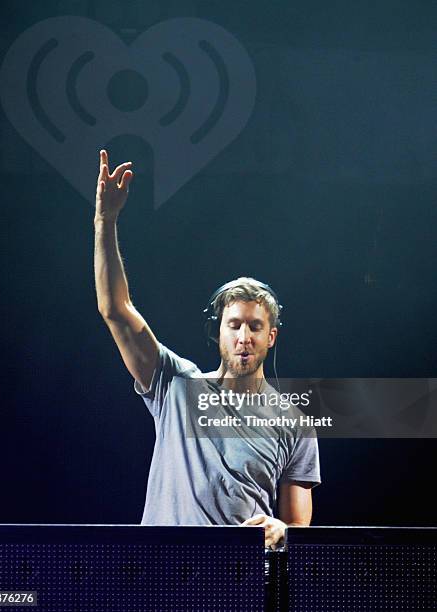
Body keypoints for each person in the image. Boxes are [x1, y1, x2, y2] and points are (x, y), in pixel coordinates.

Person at [94, 150, 321, 549]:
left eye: (255, 326)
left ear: (271, 337)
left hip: (235, 584)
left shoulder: (295, 421)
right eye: (234, 325)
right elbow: (115, 309)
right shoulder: (175, 385)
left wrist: (283, 532)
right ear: (218, 332)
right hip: (158, 575)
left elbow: (297, 528)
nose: (243, 336)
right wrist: (105, 221)